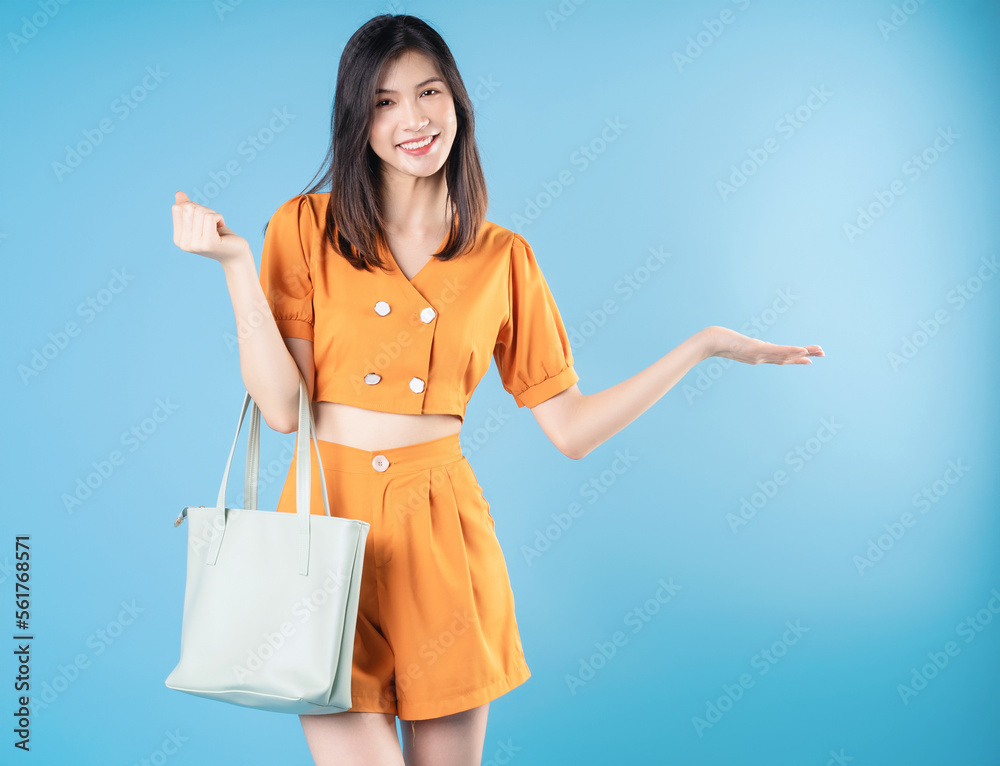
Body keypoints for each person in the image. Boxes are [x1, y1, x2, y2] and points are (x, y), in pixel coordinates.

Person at [170, 13, 823, 766]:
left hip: (444, 539)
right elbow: (284, 411)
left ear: (459, 104)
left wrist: (704, 346)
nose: (412, 119)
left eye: (428, 93)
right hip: (323, 530)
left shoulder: (503, 258)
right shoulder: (306, 226)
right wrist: (234, 267)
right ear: (358, 121)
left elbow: (570, 428)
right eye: (383, 102)